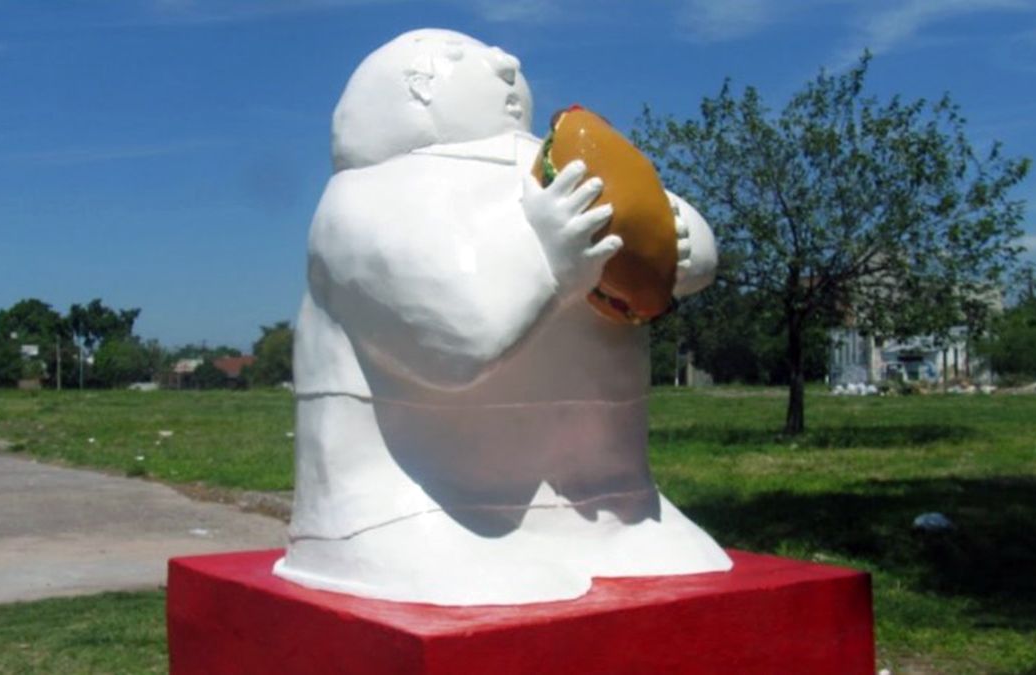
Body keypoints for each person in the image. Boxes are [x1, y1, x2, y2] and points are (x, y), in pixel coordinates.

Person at [274, 28, 729, 605]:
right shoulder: (366, 198)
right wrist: (548, 265)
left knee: (673, 559)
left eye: (498, 56)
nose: (506, 63)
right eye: (455, 59)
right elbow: (456, 338)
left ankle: (620, 520)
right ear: (407, 96)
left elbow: (678, 242)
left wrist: (680, 247)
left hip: (610, 498)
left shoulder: (551, 165)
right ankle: (409, 534)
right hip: (407, 501)